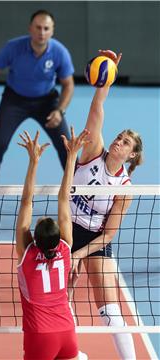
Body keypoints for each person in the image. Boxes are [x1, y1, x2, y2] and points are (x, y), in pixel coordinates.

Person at [68, 50, 143, 360]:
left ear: (132, 155)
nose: (119, 142)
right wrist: (107, 76)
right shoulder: (91, 153)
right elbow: (97, 108)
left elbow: (108, 235)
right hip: (68, 228)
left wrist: (79, 255)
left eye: (126, 142)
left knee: (110, 308)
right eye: (120, 137)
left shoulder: (124, 188)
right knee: (61, 299)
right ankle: (71, 354)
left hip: (96, 239)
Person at [0, 9, 75, 219]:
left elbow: (68, 85)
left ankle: (80, 199)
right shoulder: (13, 47)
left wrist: (59, 111)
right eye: (38, 27)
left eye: (46, 28)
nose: (41, 32)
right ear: (30, 29)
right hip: (14, 100)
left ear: (52, 31)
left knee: (68, 148)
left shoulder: (59, 52)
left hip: (47, 102)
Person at [16, 128, 89, 359]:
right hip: (67, 331)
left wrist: (33, 161)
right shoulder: (66, 247)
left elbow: (27, 201)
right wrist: (71, 156)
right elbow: (64, 197)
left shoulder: (27, 252)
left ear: (34, 239)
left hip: (40, 334)